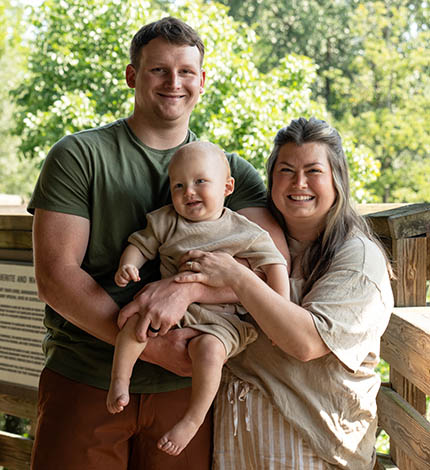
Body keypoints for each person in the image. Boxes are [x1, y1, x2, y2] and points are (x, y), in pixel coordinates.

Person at [28, 17, 289, 470]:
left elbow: (273, 269)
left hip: (187, 391)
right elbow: (56, 276)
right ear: (132, 75)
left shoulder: (230, 172)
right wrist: (152, 346)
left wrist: (187, 289)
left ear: (202, 81)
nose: (174, 83)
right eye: (158, 70)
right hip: (88, 375)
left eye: (186, 71)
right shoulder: (79, 155)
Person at [176, 117, 394, 470]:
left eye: (313, 171)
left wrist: (236, 278)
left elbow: (304, 342)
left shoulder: (358, 258)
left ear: (338, 178)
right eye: (286, 170)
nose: (299, 183)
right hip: (240, 440)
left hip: (314, 447)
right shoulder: (246, 237)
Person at [107, 140, 290, 457]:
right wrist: (129, 264)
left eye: (200, 182)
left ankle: (193, 419)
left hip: (222, 320)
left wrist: (280, 316)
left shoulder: (244, 231)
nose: (188, 191)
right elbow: (141, 244)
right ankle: (120, 380)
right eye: (178, 185)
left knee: (209, 352)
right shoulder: (166, 221)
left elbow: (275, 264)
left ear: (227, 186)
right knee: (135, 324)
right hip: (170, 311)